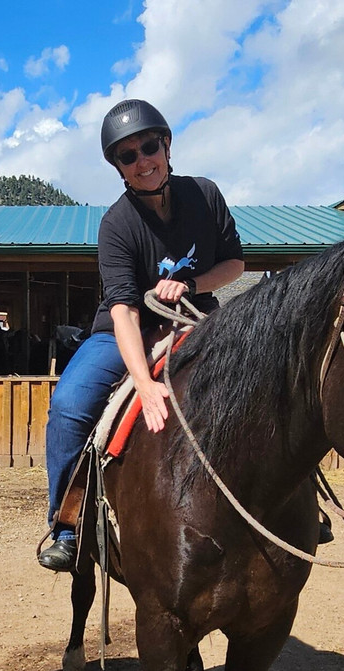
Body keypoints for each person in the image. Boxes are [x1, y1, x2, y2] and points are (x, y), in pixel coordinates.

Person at [38, 99, 245, 571]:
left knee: (266, 370)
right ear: (119, 169)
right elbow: (125, 311)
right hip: (123, 332)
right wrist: (145, 383)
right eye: (127, 156)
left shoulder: (206, 195)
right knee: (69, 406)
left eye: (148, 147)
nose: (142, 161)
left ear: (167, 145)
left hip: (197, 320)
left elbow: (235, 264)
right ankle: (67, 524)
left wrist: (192, 284)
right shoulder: (117, 224)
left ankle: (303, 500)